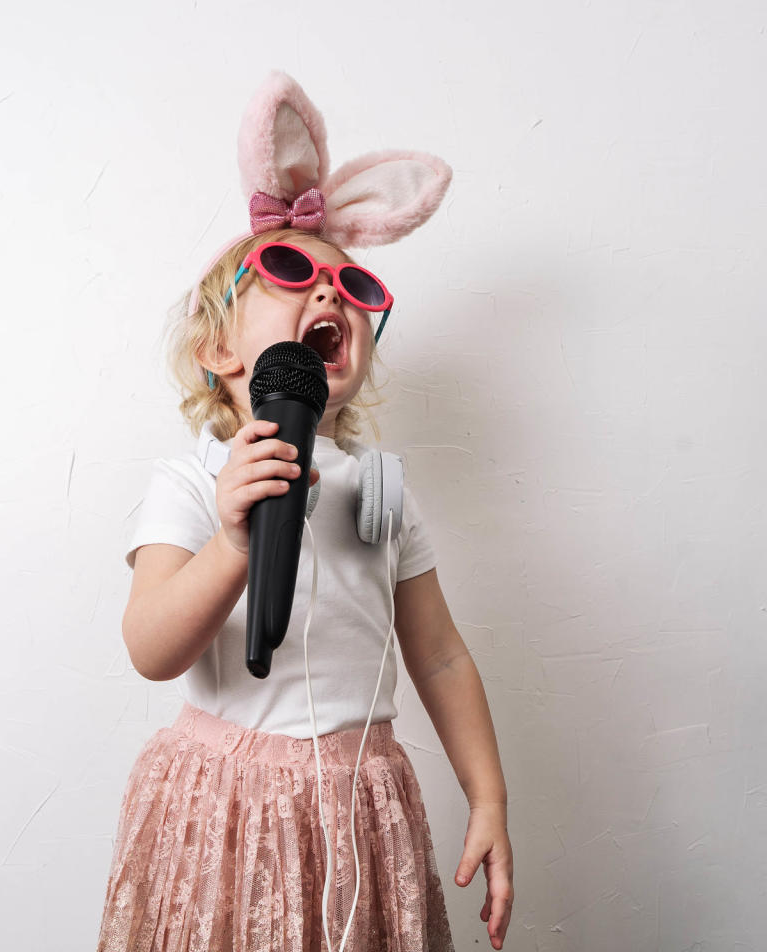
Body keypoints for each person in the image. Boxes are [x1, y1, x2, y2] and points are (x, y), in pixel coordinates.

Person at [96, 72, 513, 952]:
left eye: (351, 287)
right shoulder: (190, 482)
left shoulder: (381, 489)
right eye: (291, 272)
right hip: (229, 807)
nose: (328, 295)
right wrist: (232, 545)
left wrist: (487, 796)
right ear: (218, 348)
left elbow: (436, 655)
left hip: (360, 805)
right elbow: (150, 648)